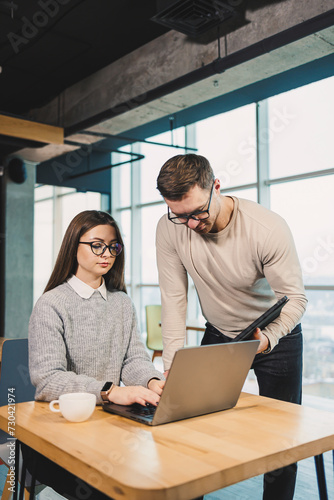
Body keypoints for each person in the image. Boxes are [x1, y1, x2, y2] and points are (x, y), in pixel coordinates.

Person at [156, 154, 307, 500]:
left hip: (273, 334)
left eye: (197, 212)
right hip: (220, 331)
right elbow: (174, 300)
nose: (190, 224)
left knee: (280, 442)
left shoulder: (266, 228)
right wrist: (171, 368)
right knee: (194, 425)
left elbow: (295, 299)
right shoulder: (169, 228)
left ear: (217, 187)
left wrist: (267, 339)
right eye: (179, 215)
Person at [27, 209, 165, 499]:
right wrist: (109, 391)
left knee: (172, 473)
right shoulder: (51, 304)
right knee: (114, 488)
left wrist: (153, 382)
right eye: (97, 245)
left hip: (110, 425)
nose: (107, 254)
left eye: (113, 246)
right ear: (73, 245)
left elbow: (133, 359)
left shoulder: (122, 303)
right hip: (60, 434)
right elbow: (48, 380)